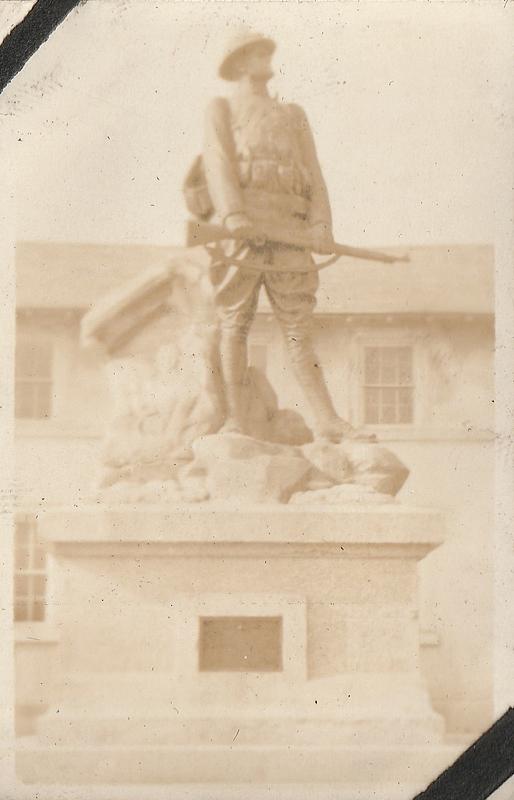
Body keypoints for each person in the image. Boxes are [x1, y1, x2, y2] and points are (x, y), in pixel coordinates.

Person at [202, 29, 373, 442]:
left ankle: (328, 421)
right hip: (244, 233)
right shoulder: (221, 108)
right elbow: (218, 163)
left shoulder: (293, 113)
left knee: (298, 329)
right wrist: (234, 214)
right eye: (258, 52)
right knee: (235, 323)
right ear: (241, 63)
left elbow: (313, 173)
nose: (267, 57)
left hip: (292, 231)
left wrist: (321, 227)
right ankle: (236, 421)